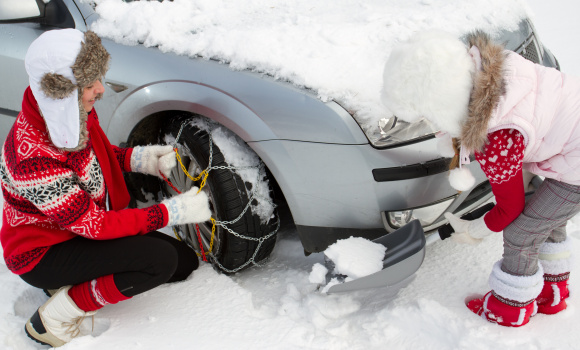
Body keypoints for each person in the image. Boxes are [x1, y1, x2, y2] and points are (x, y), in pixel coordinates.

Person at [0, 29, 212, 347]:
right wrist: (172, 211)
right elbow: (95, 226)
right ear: (60, 91)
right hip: (42, 253)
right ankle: (55, 318)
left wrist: (142, 160)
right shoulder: (34, 156)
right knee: (160, 261)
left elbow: (95, 157)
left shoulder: (68, 112)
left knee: (182, 262)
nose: (100, 89)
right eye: (89, 83)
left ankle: (73, 279)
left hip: (71, 231)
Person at [381, 30, 578, 327]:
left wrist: (475, 229)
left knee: (522, 233)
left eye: (430, 114)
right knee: (545, 218)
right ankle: (552, 292)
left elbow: (508, 209)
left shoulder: (499, 137)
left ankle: (511, 308)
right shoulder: (488, 71)